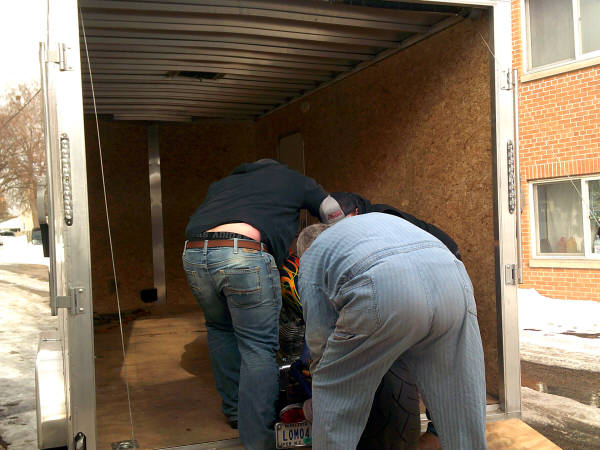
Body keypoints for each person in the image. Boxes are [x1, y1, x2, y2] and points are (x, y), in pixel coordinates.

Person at [182, 159, 344, 450]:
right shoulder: (294, 179)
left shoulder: (224, 184)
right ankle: (258, 439)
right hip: (243, 252)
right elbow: (331, 210)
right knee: (258, 346)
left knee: (219, 329)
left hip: (194, 253)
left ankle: (235, 412)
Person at [296, 214, 488, 450]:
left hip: (385, 286)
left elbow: (319, 337)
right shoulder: (366, 227)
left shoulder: (312, 256)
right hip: (452, 278)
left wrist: (322, 381)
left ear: (305, 251)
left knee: (332, 391)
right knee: (460, 399)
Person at [331, 191, 461, 260]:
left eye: (347, 222)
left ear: (356, 211)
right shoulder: (363, 223)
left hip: (444, 252)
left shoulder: (383, 217)